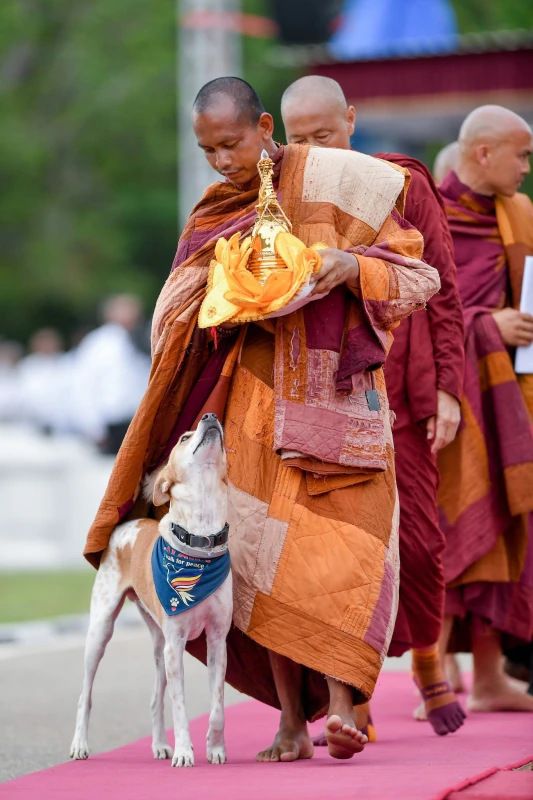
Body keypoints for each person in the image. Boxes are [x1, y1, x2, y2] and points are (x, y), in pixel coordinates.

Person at [83, 77, 441, 762]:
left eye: (231, 143)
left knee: (351, 559)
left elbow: (418, 278)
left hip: (343, 403)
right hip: (251, 408)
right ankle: (287, 724)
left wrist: (347, 266)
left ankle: (342, 711)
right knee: (259, 566)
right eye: (207, 148)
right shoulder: (218, 207)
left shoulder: (342, 181)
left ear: (264, 125)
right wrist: (229, 296)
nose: (221, 161)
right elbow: (176, 314)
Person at [281, 75, 465, 737]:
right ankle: (348, 694)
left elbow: (440, 287)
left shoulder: (401, 183)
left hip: (403, 384)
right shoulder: (281, 189)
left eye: (324, 136)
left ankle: (426, 662)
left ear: (351, 121)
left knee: (417, 541)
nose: (314, 151)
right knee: (335, 552)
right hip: (321, 385)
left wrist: (447, 388)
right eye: (299, 140)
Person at [438, 104, 533, 713]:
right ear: (483, 154)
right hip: (450, 402)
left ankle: (493, 679)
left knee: (507, 531)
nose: (526, 167)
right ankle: (436, 674)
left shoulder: (520, 214)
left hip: (511, 398)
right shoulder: (429, 219)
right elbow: (419, 311)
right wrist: (487, 323)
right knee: (446, 530)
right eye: (521, 155)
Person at [72, 294, 151, 453]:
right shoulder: (98, 343)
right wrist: (93, 427)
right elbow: (83, 385)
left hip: (141, 421)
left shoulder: (145, 338)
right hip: (111, 423)